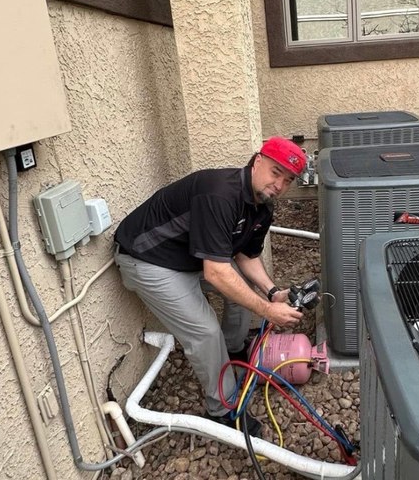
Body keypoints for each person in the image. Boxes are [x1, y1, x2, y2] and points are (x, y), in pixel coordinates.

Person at [113, 136, 306, 436]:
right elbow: (216, 272)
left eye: (288, 179)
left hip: (189, 257)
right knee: (204, 332)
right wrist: (268, 310)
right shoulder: (220, 194)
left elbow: (245, 254)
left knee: (243, 289)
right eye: (275, 172)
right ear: (257, 162)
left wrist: (272, 292)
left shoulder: (262, 206)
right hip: (149, 259)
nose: (279, 185)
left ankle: (232, 353)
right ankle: (223, 411)